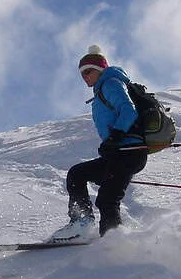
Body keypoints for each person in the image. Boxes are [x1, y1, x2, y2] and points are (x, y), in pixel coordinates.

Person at [51, 45, 149, 242]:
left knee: (107, 199)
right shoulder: (102, 90)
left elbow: (128, 111)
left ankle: (114, 244)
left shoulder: (111, 83)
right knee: (77, 174)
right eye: (81, 74)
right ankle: (83, 222)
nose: (85, 76)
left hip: (128, 151)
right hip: (119, 153)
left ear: (100, 69)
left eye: (88, 71)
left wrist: (115, 136)